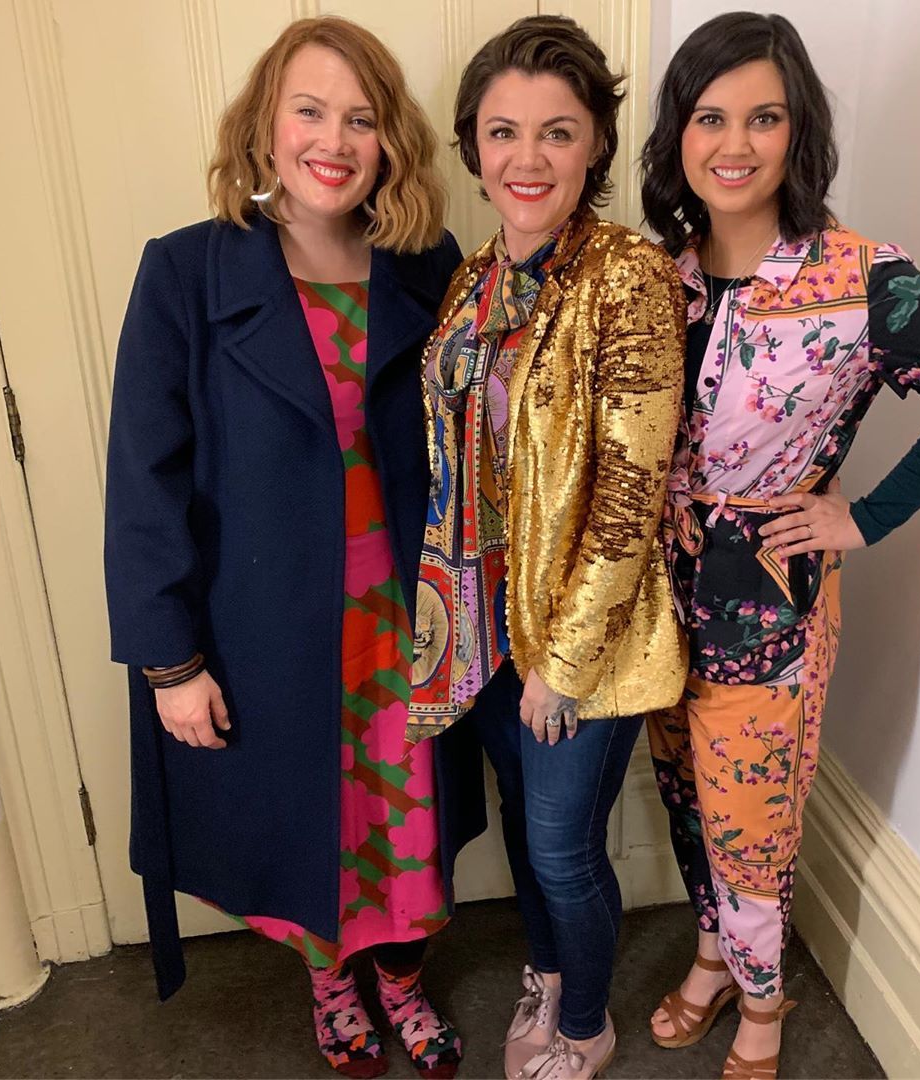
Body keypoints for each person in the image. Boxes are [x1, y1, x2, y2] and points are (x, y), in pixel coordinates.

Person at [103, 16, 486, 1078]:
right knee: (310, 827)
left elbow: (477, 447)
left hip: (410, 628)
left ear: (390, 141)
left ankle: (400, 982)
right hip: (267, 633)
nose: (334, 139)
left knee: (407, 829)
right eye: (309, 111)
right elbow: (143, 480)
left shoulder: (428, 264)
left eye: (361, 118)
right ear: (265, 127)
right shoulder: (186, 272)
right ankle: (331, 985)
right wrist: (169, 662)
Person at [639, 12, 920, 1080]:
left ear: (799, 131)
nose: (735, 144)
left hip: (772, 609)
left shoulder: (863, 277)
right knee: (683, 796)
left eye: (764, 117)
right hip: (656, 603)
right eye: (710, 117)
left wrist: (865, 515)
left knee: (751, 823)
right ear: (678, 135)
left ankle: (763, 1007)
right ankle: (712, 958)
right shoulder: (657, 279)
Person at [405, 15, 686, 1080]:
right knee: (527, 829)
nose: (528, 158)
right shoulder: (473, 277)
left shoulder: (628, 276)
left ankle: (585, 1025)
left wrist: (562, 665)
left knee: (565, 848)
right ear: (473, 146)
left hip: (583, 638)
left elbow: (629, 493)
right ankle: (552, 973)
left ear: (595, 145)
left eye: (557, 132)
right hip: (485, 625)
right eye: (504, 132)